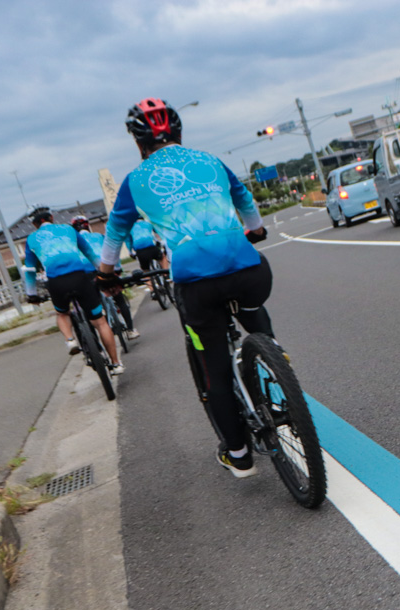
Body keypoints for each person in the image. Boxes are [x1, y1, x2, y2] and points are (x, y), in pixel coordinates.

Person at [97, 98, 271, 477]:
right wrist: (254, 230)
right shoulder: (209, 161)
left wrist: (106, 275)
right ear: (178, 131)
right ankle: (273, 354)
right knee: (251, 295)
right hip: (248, 269)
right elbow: (243, 197)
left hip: (195, 283)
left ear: (139, 142)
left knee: (216, 370)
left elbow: (114, 233)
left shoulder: (135, 181)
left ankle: (240, 455)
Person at [22, 207, 124, 375]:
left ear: (34, 225)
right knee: (99, 322)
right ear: (52, 217)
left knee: (62, 313)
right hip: (80, 278)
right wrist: (105, 274)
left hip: (56, 282)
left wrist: (31, 294)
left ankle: (70, 340)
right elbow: (89, 253)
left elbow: (30, 270)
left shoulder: (32, 239)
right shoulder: (68, 229)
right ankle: (116, 363)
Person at [72, 215, 139, 339]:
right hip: (103, 269)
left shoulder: (75, 242)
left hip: (85, 274)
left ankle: (96, 344)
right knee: (119, 299)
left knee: (90, 306)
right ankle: (130, 330)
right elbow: (112, 252)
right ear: (88, 226)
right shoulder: (99, 236)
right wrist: (117, 269)